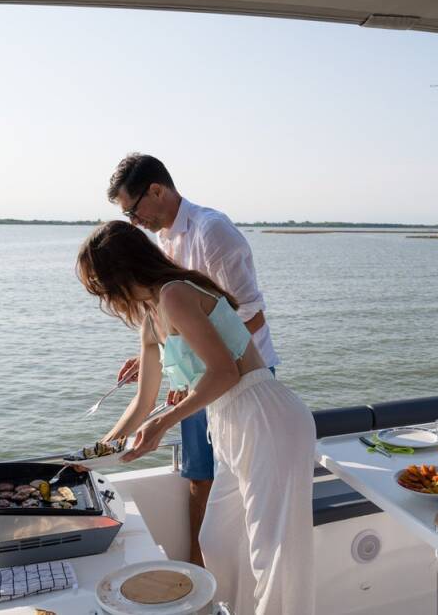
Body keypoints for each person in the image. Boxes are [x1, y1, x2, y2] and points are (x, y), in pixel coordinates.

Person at [78, 221, 315, 615]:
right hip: (229, 425)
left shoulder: (176, 293)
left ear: (121, 272)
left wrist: (164, 422)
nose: (106, 299)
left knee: (274, 555)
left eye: (103, 288)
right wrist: (94, 454)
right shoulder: (151, 318)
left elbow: (224, 372)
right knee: (218, 542)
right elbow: (142, 402)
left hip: (264, 415)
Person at [105, 153, 280, 567]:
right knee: (199, 477)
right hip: (202, 375)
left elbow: (250, 316)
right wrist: (163, 356)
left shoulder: (212, 232)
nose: (134, 222)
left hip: (242, 377)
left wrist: (190, 359)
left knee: (238, 489)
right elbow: (184, 324)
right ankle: (195, 575)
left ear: (157, 190)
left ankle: (223, 578)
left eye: (133, 211)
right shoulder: (164, 241)